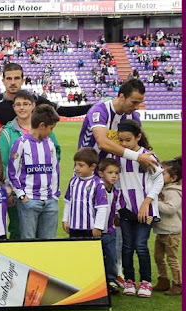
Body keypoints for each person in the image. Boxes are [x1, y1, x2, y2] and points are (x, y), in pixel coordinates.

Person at [0, 90, 62, 239]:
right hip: (24, 196)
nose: (22, 108)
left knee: (47, 240)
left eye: (26, 104)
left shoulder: (49, 138)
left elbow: (55, 164)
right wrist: (19, 193)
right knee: (21, 234)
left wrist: (55, 194)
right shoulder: (12, 136)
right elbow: (7, 165)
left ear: (33, 106)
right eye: (18, 104)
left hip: (48, 197)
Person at [115, 120, 163, 298]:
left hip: (146, 210)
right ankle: (129, 280)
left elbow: (159, 180)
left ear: (138, 137)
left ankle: (146, 281)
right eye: (121, 141)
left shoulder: (147, 156)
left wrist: (147, 202)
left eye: (128, 140)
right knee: (127, 247)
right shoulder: (119, 156)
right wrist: (118, 209)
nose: (124, 144)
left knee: (141, 245)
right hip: (126, 210)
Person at [78, 78, 158, 170]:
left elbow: (138, 145)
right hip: (88, 170)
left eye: (139, 103)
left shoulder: (134, 118)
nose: (137, 107)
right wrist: (138, 157)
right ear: (121, 97)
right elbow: (102, 143)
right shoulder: (100, 111)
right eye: (134, 102)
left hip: (114, 173)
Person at [0, 63, 92, 126]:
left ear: (23, 80)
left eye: (16, 78)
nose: (12, 82)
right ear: (3, 81)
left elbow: (65, 111)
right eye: (9, 78)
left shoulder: (35, 100)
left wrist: (93, 107)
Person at [62, 148, 109, 238]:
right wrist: (65, 220)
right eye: (75, 164)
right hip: (73, 227)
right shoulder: (73, 181)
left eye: (81, 165)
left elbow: (102, 207)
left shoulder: (98, 184)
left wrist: (98, 227)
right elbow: (68, 201)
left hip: (89, 228)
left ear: (92, 167)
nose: (77, 168)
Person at [153, 156, 182, 295]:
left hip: (171, 232)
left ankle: (178, 284)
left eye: (163, 173)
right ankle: (163, 280)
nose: (160, 175)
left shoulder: (174, 192)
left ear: (174, 177)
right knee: (158, 256)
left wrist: (154, 202)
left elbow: (171, 209)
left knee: (172, 258)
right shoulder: (164, 189)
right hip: (162, 230)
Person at [98, 158, 123, 294]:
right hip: (95, 230)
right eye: (110, 172)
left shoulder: (116, 193)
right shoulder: (96, 189)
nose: (114, 176)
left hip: (110, 231)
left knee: (111, 256)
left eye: (116, 173)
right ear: (101, 174)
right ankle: (96, 282)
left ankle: (111, 280)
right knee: (96, 256)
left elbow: (119, 209)